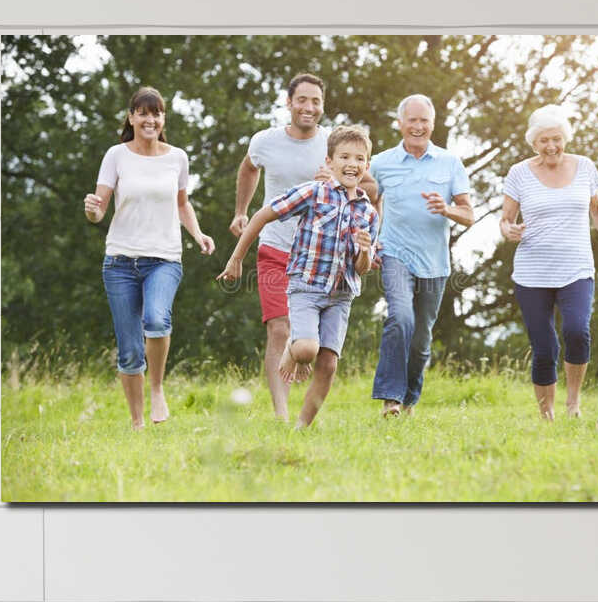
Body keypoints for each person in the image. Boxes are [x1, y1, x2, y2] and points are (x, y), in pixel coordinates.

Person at [218, 125, 379, 430]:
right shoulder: (313, 193)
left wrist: (366, 252)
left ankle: (301, 428)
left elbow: (362, 268)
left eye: (359, 159)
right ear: (329, 162)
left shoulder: (369, 214)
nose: (352, 164)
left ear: (366, 166)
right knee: (307, 349)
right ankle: (293, 350)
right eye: (344, 156)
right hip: (305, 288)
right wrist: (236, 257)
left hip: (341, 295)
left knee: (329, 364)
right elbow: (264, 214)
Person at [84, 86, 214, 429]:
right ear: (131, 118)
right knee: (128, 350)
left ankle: (157, 388)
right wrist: (93, 212)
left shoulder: (177, 158)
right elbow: (99, 208)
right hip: (120, 262)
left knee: (156, 321)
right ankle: (138, 423)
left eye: (156, 113)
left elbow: (182, 203)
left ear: (163, 119)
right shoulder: (116, 155)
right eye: (142, 113)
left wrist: (198, 234)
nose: (150, 119)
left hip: (164, 259)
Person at [500, 105, 598, 420]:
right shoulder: (519, 173)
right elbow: (505, 220)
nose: (551, 146)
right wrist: (509, 230)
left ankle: (573, 403)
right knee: (544, 347)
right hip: (532, 273)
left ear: (566, 138)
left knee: (577, 331)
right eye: (544, 140)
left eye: (557, 139)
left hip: (576, 269)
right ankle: (545, 413)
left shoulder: (585, 167)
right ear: (534, 143)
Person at [368, 94, 472, 418]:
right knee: (401, 318)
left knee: (421, 338)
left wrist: (447, 209)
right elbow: (367, 203)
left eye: (423, 120)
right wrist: (369, 243)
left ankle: (409, 400)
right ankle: (390, 399)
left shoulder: (450, 162)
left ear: (433, 124)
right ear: (400, 123)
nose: (417, 126)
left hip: (435, 262)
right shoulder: (380, 162)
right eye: (411, 120)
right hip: (394, 252)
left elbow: (468, 214)